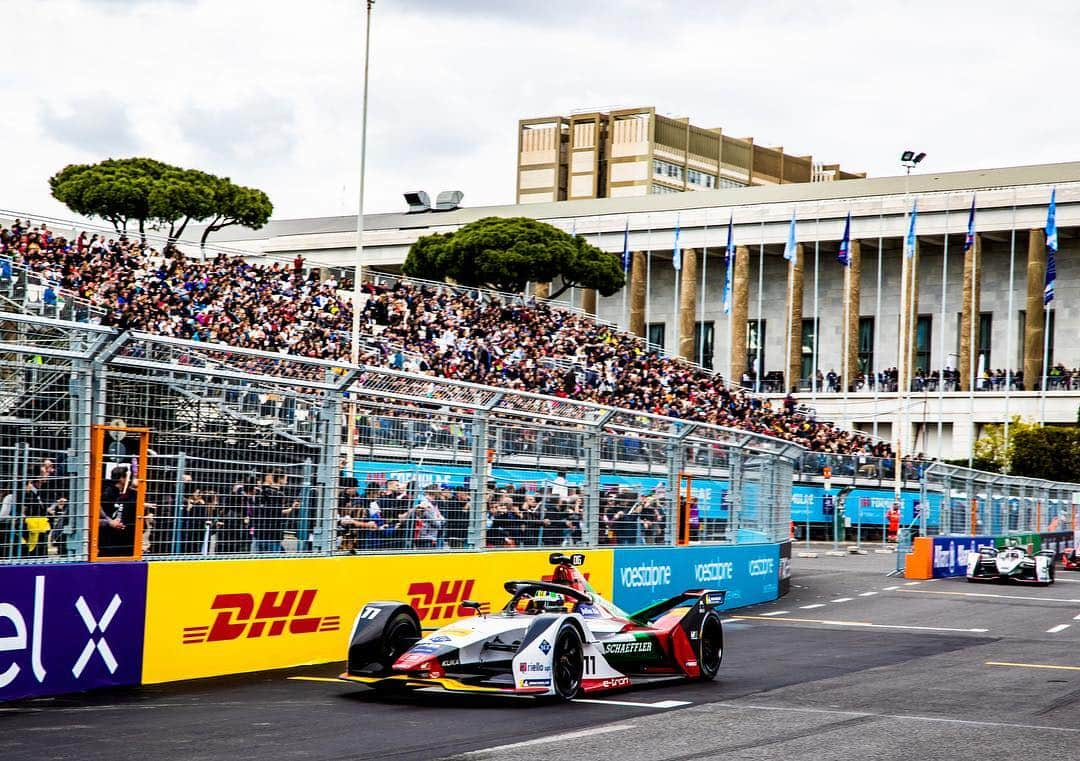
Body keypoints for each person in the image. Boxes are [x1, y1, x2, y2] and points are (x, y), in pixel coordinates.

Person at [98, 465, 138, 557]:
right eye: (128, 477)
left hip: (127, 540)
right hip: (109, 540)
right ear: (121, 478)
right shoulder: (107, 494)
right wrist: (110, 522)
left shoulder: (132, 494)